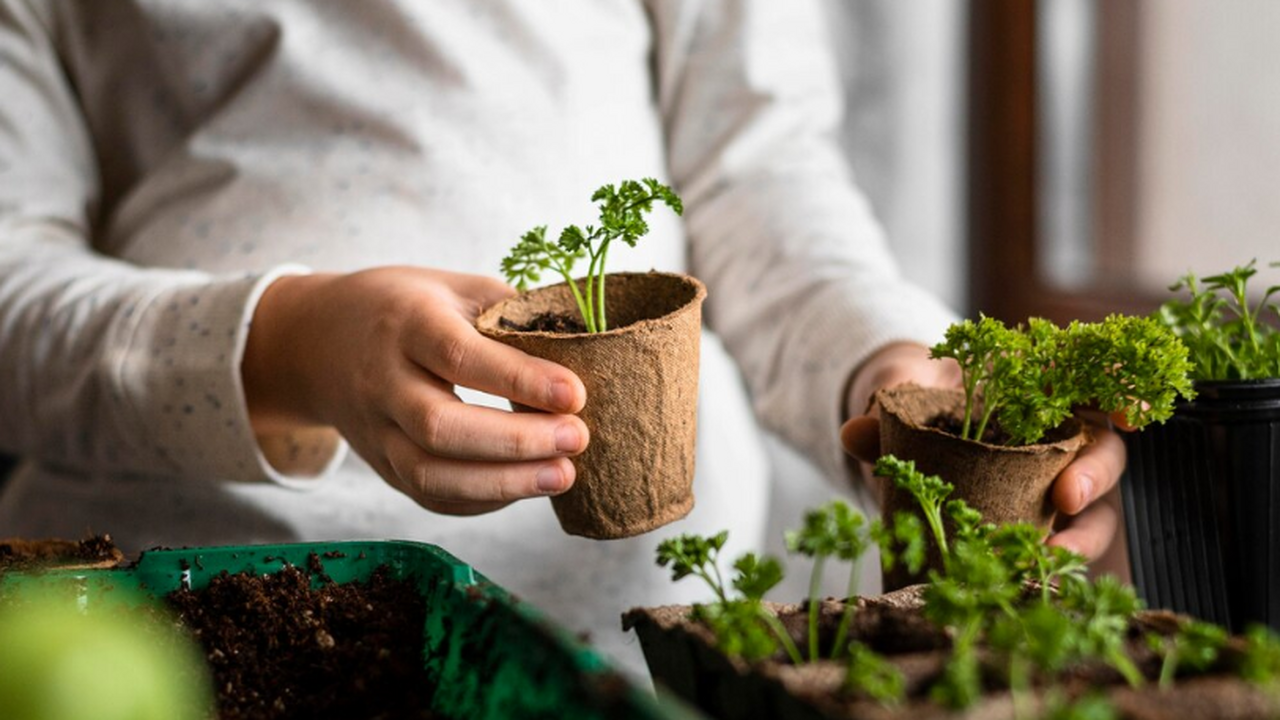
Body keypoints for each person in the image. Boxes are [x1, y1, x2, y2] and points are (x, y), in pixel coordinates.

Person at [0, 0, 1127, 675]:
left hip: (654, 639)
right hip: (181, 616)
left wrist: (892, 368)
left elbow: (758, 179)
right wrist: (286, 343)